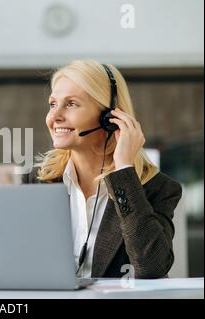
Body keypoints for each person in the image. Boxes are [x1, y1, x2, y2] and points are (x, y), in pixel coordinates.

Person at [23, 59, 182, 279]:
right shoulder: (36, 181)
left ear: (110, 116)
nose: (54, 117)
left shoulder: (157, 188)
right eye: (52, 104)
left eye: (71, 104)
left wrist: (124, 171)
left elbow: (151, 267)